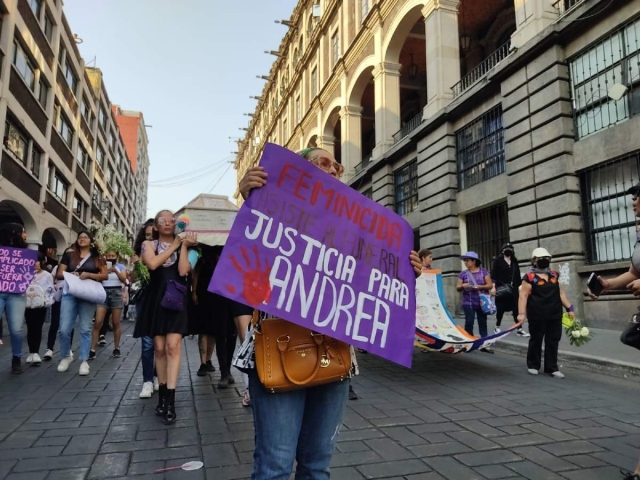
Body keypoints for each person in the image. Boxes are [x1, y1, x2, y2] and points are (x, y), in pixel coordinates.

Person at [235, 147, 423, 479]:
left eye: (337, 165)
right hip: (275, 349)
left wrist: (404, 275)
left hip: (333, 352)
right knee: (274, 466)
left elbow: (371, 285)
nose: (334, 169)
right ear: (297, 171)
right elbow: (248, 273)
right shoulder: (273, 210)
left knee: (317, 465)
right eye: (323, 163)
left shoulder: (358, 231)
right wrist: (253, 201)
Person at [134, 210, 198, 424]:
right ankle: (161, 397)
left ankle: (170, 400)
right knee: (159, 349)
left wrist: (185, 247)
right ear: (155, 225)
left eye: (172, 220)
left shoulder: (183, 246)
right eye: (163, 220)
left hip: (177, 301)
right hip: (156, 302)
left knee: (173, 346)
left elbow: (182, 272)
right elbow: (152, 265)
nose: (168, 223)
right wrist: (174, 246)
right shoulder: (148, 246)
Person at [56, 230, 108, 376]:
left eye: (85, 237)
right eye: (80, 237)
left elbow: (105, 275)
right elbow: (59, 274)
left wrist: (90, 275)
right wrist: (70, 274)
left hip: (88, 294)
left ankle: (84, 360)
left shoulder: (97, 257)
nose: (82, 239)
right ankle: (66, 356)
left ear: (91, 241)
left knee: (85, 328)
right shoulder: (69, 255)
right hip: (70, 293)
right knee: (64, 328)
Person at [518, 248, 574, 378]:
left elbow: (561, 293)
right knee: (536, 339)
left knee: (553, 340)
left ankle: (552, 368)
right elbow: (523, 296)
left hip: (554, 314)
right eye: (540, 258)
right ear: (534, 261)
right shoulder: (529, 277)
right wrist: (521, 314)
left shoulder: (554, 275)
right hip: (536, 314)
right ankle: (533, 365)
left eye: (546, 258)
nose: (544, 260)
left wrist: (569, 308)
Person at [132, 220, 158, 399]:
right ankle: (147, 380)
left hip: (163, 299)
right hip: (145, 299)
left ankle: (158, 375)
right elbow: (133, 278)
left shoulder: (167, 251)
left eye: (153, 236)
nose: (150, 239)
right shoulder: (139, 253)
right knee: (147, 342)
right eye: (147, 236)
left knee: (162, 343)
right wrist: (139, 262)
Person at [0, 223, 29, 373]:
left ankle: (16, 358)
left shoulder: (25, 253)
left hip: (16, 294)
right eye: (24, 232)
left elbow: (27, 274)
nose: (25, 235)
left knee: (16, 329)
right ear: (15, 233)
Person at [89, 250, 128, 360]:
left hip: (116, 293)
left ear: (117, 256)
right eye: (108, 255)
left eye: (113, 255)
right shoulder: (101, 265)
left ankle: (116, 348)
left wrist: (115, 271)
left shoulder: (121, 267)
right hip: (103, 293)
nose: (110, 257)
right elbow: (96, 278)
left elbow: (124, 280)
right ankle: (92, 349)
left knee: (116, 323)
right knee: (98, 322)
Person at [457, 251, 494, 354]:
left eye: (467, 260)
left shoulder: (483, 272)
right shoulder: (463, 274)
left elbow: (490, 285)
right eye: (465, 260)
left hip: (481, 302)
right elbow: (458, 287)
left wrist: (480, 287)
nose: (465, 262)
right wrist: (463, 286)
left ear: (474, 261)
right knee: (469, 322)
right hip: (468, 302)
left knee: (483, 323)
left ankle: (484, 345)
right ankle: (468, 344)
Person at [490, 243, 528, 336]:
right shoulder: (498, 261)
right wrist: (493, 288)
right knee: (501, 309)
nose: (508, 250)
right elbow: (493, 275)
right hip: (502, 288)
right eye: (506, 248)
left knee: (516, 309)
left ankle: (519, 328)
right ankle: (497, 327)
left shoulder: (514, 261)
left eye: (510, 248)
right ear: (502, 250)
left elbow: (518, 275)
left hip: (514, 289)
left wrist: (520, 287)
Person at [25, 253, 55, 366]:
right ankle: (31, 352)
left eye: (38, 261)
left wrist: (48, 301)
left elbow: (51, 290)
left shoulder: (47, 275)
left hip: (41, 306)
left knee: (38, 327)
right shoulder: (25, 273)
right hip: (27, 305)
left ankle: (36, 352)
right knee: (29, 327)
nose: (35, 263)